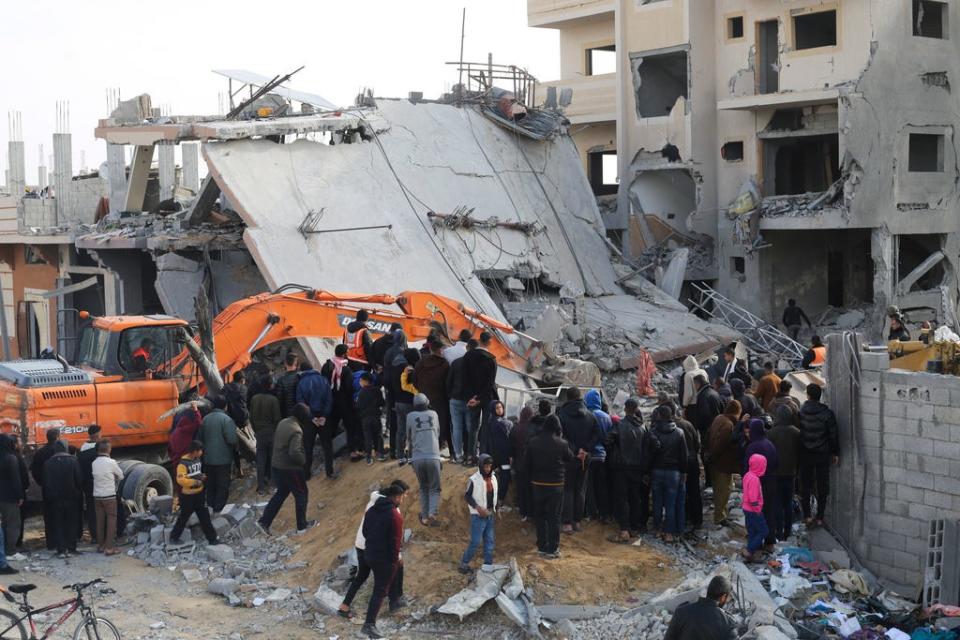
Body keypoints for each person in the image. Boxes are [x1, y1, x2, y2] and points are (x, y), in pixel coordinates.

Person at [338, 480, 411, 622]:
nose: (404, 498)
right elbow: (393, 538)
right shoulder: (392, 509)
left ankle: (344, 606)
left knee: (361, 576)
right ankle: (393, 602)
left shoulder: (375, 501)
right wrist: (397, 556)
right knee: (394, 569)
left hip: (361, 543)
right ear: (397, 495)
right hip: (373, 547)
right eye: (404, 495)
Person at [258, 404, 316, 535]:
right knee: (301, 494)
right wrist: (303, 461)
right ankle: (302, 526)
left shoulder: (283, 422)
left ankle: (264, 522)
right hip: (290, 468)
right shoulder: (297, 430)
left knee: (281, 493)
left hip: (277, 465)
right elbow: (294, 452)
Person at [361, 483, 407, 639]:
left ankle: (394, 602)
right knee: (379, 591)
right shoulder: (395, 515)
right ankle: (369, 625)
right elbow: (395, 542)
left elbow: (365, 530)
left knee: (380, 587)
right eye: (401, 497)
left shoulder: (372, 509)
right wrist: (394, 561)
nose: (402, 500)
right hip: (384, 558)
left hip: (369, 553)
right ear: (395, 497)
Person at [525, 411, 572, 558]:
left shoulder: (533, 442)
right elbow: (569, 458)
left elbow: (527, 464)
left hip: (538, 484)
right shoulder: (562, 443)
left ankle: (542, 547)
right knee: (554, 517)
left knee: (540, 516)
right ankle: (553, 549)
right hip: (556, 485)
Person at [607, 398, 652, 542]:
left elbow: (608, 441)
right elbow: (647, 450)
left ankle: (624, 529)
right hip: (637, 468)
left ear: (626, 408)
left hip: (621, 468)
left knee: (622, 498)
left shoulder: (619, 425)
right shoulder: (643, 428)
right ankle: (634, 527)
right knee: (635, 498)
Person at [557, 387, 599, 533]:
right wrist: (585, 449)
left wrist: (575, 450)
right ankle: (577, 521)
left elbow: (560, 436)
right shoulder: (590, 415)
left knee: (568, 489)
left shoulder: (561, 414)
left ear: (568, 398)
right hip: (585, 458)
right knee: (580, 489)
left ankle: (567, 523)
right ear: (580, 397)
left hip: (569, 457)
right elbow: (596, 435)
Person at [798, 383, 839, 527]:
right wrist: (834, 452)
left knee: (805, 485)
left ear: (808, 395)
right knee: (823, 486)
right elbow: (833, 435)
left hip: (805, 453)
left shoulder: (801, 411)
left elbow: (799, 433)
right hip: (822, 453)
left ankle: (807, 516)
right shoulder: (827, 413)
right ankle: (820, 517)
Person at [649, 405, 687, 543]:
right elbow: (684, 455)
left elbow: (650, 454)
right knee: (671, 504)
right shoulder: (679, 433)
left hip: (657, 470)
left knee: (657, 502)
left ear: (659, 416)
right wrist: (683, 472)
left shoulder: (653, 432)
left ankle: (657, 529)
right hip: (674, 472)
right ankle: (669, 532)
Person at [170, 441, 220, 545]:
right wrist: (195, 482)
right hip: (188, 496)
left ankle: (213, 539)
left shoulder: (197, 460)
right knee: (183, 518)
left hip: (199, 494)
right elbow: (181, 480)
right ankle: (173, 537)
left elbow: (195, 473)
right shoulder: (182, 464)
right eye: (200, 450)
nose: (202, 452)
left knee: (205, 518)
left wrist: (201, 476)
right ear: (195, 451)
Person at [767, 405, 802, 541]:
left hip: (775, 474)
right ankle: (788, 532)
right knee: (788, 503)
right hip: (791, 473)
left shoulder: (772, 433)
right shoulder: (796, 433)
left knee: (777, 503)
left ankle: (778, 532)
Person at [198, 394, 238, 512]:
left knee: (210, 486)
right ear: (225, 406)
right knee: (222, 486)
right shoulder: (227, 420)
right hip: (223, 460)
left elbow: (199, 439)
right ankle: (218, 512)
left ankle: (210, 509)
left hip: (208, 460)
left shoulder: (205, 419)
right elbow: (232, 440)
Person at [664, 575, 736, 640]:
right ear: (723, 597)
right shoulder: (728, 623)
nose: (728, 600)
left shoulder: (681, 611)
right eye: (728, 597)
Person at [321, 344, 361, 462]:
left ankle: (329, 453)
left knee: (332, 427)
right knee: (350, 426)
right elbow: (349, 388)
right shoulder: (346, 369)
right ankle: (353, 452)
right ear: (344, 354)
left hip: (330, 401)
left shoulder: (326, 366)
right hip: (344, 402)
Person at [407, 394, 442, 526]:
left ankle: (425, 517)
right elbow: (437, 433)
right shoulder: (434, 414)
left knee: (423, 488)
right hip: (433, 456)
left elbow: (408, 437)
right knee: (434, 488)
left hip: (417, 458)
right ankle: (432, 513)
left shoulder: (410, 416)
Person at [459, 454, 498, 574]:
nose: (488, 469)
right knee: (475, 542)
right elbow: (467, 496)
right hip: (478, 516)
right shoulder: (473, 479)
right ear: (481, 466)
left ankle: (487, 565)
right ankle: (464, 564)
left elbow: (494, 495)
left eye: (489, 466)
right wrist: (478, 508)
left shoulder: (494, 478)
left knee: (490, 541)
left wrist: (498, 509)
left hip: (490, 514)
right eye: (485, 466)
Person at [462, 331, 499, 456]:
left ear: (479, 340)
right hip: (486, 398)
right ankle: (483, 453)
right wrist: (480, 398)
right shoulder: (491, 360)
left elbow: (465, 379)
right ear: (489, 342)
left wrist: (472, 397)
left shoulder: (468, 356)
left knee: (473, 427)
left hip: (472, 397)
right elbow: (490, 383)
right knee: (485, 427)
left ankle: (471, 454)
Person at [743, 418, 778, 549]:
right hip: (771, 483)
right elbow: (776, 463)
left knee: (755, 515)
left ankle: (755, 546)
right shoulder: (770, 444)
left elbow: (747, 467)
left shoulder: (752, 447)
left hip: (757, 486)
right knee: (769, 512)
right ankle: (770, 542)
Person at [43, 443, 82, 558]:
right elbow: (79, 479)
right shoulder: (74, 461)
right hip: (72, 498)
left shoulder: (47, 464)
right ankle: (71, 548)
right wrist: (77, 491)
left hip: (55, 499)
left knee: (58, 523)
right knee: (72, 523)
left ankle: (60, 550)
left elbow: (45, 483)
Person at [296, 362, 334, 479]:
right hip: (323, 418)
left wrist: (312, 418)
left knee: (308, 447)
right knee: (327, 445)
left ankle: (306, 474)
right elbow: (329, 399)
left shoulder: (301, 383)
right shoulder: (323, 380)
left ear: (302, 371)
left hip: (309, 420)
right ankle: (330, 472)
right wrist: (324, 416)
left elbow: (300, 403)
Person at [707, 401, 741, 527]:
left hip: (715, 462)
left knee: (719, 489)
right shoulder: (728, 424)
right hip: (722, 463)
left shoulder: (719, 418)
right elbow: (721, 444)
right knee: (724, 490)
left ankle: (721, 514)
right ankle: (720, 517)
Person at [413, 340, 451, 455]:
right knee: (440, 422)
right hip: (440, 398)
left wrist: (421, 390)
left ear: (430, 349)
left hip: (424, 398)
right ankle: (438, 446)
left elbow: (414, 380)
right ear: (440, 350)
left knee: (424, 422)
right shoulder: (444, 364)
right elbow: (448, 383)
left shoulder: (420, 362)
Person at [672, 403, 702, 535]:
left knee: (681, 492)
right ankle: (697, 519)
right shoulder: (688, 424)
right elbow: (697, 444)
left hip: (680, 464)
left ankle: (684, 518)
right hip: (693, 461)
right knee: (694, 491)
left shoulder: (673, 427)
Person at [584, 390, 613, 523]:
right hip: (602, 455)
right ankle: (604, 514)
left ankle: (592, 512)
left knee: (589, 486)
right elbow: (609, 437)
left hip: (589, 455)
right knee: (602, 486)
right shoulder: (606, 417)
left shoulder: (587, 415)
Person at [30, 427, 62, 550]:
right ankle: (62, 542)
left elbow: (35, 471)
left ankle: (51, 543)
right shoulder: (60, 451)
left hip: (47, 488)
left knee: (49, 516)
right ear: (58, 437)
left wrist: (42, 482)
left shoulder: (40, 452)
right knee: (62, 515)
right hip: (61, 488)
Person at [91, 440, 124, 555]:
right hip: (109, 496)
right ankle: (109, 548)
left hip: (97, 496)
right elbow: (121, 475)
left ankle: (100, 546)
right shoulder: (111, 462)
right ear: (109, 449)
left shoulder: (94, 462)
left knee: (100, 521)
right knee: (111, 520)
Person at [250, 377, 281, 494]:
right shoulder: (273, 400)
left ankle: (261, 487)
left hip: (259, 433)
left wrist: (256, 430)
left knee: (261, 460)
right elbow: (277, 419)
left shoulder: (254, 399)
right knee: (273, 458)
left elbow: (251, 417)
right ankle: (273, 485)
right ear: (270, 386)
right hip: (271, 432)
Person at [447, 339, 476, 465]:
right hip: (470, 400)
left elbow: (448, 381)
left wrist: (450, 396)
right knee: (471, 428)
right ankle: (470, 454)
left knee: (457, 428)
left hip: (455, 399)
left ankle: (458, 455)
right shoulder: (476, 364)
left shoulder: (456, 362)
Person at [382, 329, 409, 460]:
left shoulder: (388, 352)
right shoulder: (401, 353)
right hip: (400, 392)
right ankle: (402, 451)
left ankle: (393, 450)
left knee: (393, 421)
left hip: (389, 390)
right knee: (402, 423)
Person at [393, 348, 420, 465]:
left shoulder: (395, 365)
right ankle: (411, 457)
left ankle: (400, 456)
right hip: (409, 403)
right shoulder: (410, 370)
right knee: (412, 431)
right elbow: (410, 387)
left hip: (398, 402)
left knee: (401, 430)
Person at [509, 405, 536, 519]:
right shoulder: (534, 429)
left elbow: (511, 447)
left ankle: (523, 512)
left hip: (519, 464)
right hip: (532, 465)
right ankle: (531, 513)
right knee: (531, 489)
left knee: (521, 489)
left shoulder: (515, 428)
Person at [77, 425, 102, 544]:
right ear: (97, 435)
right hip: (98, 485)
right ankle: (102, 536)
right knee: (101, 510)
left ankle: (94, 536)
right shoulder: (98, 450)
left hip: (87, 485)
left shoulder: (82, 448)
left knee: (92, 511)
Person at [0, 435, 24, 561]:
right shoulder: (11, 458)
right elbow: (16, 480)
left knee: (3, 524)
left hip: (1, 497)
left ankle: (4, 549)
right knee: (13, 524)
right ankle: (11, 551)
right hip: (10, 497)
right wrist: (20, 496)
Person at [742, 453, 769, 562]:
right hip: (753, 510)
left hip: (747, 509)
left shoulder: (748, 475)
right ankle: (749, 550)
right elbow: (753, 498)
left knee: (752, 530)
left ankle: (750, 555)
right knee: (764, 530)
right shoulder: (754, 479)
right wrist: (758, 510)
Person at [486, 400, 513, 503]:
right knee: (505, 476)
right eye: (497, 408)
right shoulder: (504, 423)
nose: (500, 409)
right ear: (493, 409)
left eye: (501, 407)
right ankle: (500, 499)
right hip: (503, 456)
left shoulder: (489, 421)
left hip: (493, 455)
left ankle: (489, 499)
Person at [357, 372, 386, 463]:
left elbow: (359, 406)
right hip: (376, 416)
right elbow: (382, 403)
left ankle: (369, 457)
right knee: (378, 435)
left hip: (365, 418)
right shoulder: (377, 390)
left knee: (368, 438)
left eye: (361, 380)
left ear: (365, 381)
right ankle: (380, 454)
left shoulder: (361, 393)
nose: (360, 382)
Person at [168, 401, 202, 474]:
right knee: (187, 481)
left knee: (179, 480)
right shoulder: (185, 431)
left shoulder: (174, 432)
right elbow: (198, 423)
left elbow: (169, 449)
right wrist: (196, 410)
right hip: (185, 461)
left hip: (176, 461)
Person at [276, 352, 301, 418]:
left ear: (285, 363)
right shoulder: (300, 378)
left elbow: (279, 400)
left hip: (286, 414)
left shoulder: (281, 380)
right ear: (297, 365)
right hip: (300, 413)